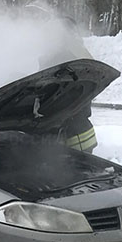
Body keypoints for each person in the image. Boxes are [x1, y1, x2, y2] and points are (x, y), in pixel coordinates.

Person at [39, 18, 98, 154]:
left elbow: (48, 92)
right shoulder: (79, 53)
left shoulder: (61, 56)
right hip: (80, 134)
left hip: (71, 139)